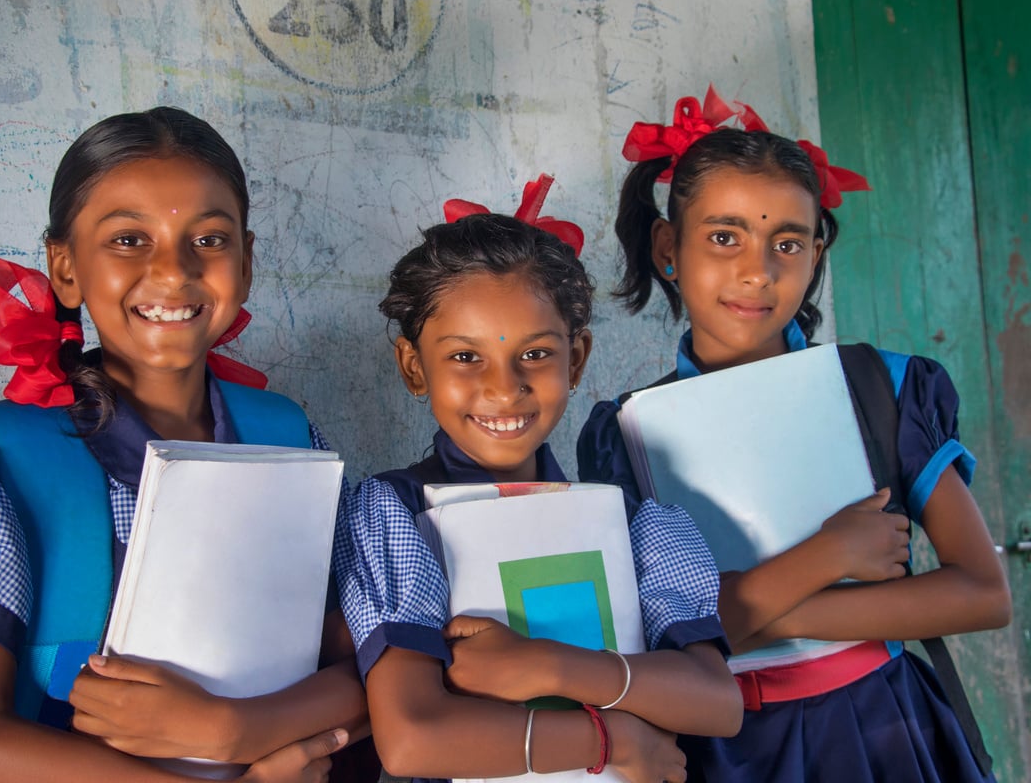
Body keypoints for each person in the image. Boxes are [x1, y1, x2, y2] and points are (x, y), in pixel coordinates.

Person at [0, 107, 367, 783]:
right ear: (64, 269)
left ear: (246, 264)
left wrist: (233, 730)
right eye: (129, 239)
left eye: (209, 240)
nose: (173, 270)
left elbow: (381, 667)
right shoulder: (7, 463)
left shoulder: (292, 441)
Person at [577, 87, 1012, 782]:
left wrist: (744, 614)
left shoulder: (884, 387)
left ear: (816, 254)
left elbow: (982, 593)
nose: (758, 271)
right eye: (725, 237)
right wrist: (829, 553)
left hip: (885, 730)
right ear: (668, 248)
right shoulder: (628, 433)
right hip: (724, 750)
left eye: (788, 242)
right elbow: (650, 640)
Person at [332, 175, 742, 783]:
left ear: (576, 359)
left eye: (536, 354)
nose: (504, 388)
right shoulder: (395, 516)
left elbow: (717, 702)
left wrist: (546, 665)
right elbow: (412, 738)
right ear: (414, 368)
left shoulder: (628, 519)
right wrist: (611, 741)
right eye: (466, 357)